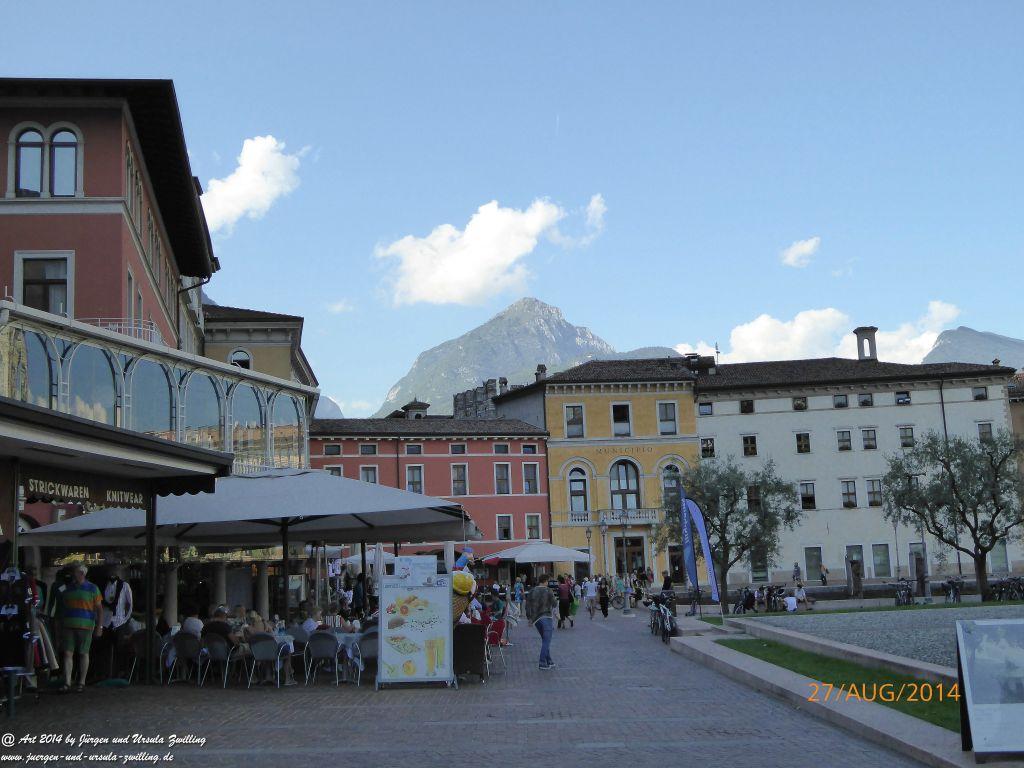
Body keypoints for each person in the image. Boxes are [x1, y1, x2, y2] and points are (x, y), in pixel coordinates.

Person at [59, 563, 102, 693]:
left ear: (82, 574)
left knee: (83, 652)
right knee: (67, 653)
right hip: (69, 625)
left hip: (86, 625)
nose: (74, 574)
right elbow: (61, 604)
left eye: (76, 572)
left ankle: (81, 682)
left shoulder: (93, 588)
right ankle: (67, 681)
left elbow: (99, 609)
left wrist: (99, 626)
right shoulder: (67, 588)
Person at [99, 565, 133, 678]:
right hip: (106, 621)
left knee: (120, 649)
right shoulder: (104, 585)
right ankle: (105, 673)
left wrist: (125, 619)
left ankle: (119, 673)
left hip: (119, 621)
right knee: (105, 649)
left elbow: (130, 604)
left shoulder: (124, 586)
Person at [526, 573, 557, 670]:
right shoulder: (548, 590)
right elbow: (554, 603)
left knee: (545, 640)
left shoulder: (532, 591)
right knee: (547, 641)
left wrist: (529, 618)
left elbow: (527, 606)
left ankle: (549, 660)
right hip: (546, 616)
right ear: (545, 581)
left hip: (536, 619)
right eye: (548, 581)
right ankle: (542, 662)